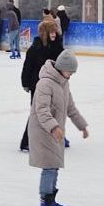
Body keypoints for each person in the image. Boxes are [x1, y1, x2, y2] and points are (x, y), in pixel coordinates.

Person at [27, 49, 89, 206]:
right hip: (42, 131)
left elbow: (70, 107)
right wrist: (54, 127)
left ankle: (51, 202)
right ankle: (44, 205)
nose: (72, 75)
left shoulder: (64, 82)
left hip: (55, 132)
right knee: (49, 167)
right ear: (62, 68)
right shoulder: (45, 84)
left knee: (54, 166)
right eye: (70, 71)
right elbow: (42, 110)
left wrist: (82, 126)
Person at [19, 19, 63, 152]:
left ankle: (56, 137)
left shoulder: (57, 47)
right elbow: (27, 67)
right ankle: (27, 141)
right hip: (37, 86)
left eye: (55, 31)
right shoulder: (35, 48)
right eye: (51, 32)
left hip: (54, 86)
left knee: (55, 112)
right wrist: (25, 83)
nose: (54, 34)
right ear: (45, 33)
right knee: (38, 114)